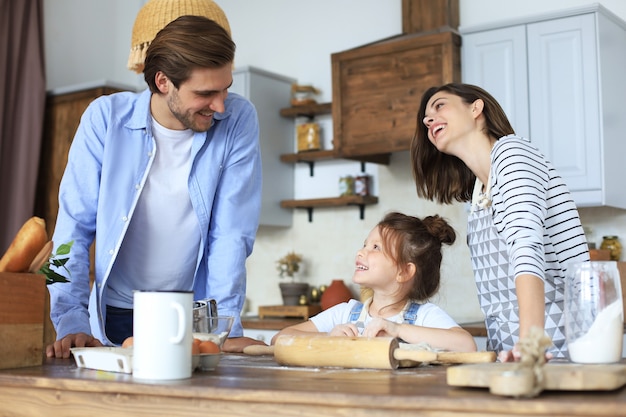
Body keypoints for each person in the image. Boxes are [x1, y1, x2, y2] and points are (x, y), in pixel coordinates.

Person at [46, 15, 265, 358]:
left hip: (193, 319)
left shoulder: (237, 119)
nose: (220, 105)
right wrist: (70, 319)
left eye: (225, 89)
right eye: (205, 93)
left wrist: (225, 327)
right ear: (164, 82)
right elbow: (70, 231)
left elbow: (232, 234)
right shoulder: (104, 118)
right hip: (116, 314)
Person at [411, 83, 590, 361]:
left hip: (556, 346)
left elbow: (526, 247)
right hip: (510, 350)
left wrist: (531, 344)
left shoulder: (512, 153)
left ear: (476, 108)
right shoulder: (479, 193)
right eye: (426, 118)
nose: (428, 119)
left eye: (439, 105)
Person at [272, 212, 477, 353]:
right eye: (364, 244)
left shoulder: (424, 316)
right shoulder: (345, 313)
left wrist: (396, 329)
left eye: (376, 247)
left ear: (404, 271)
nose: (361, 252)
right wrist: (327, 337)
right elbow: (279, 339)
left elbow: (466, 345)